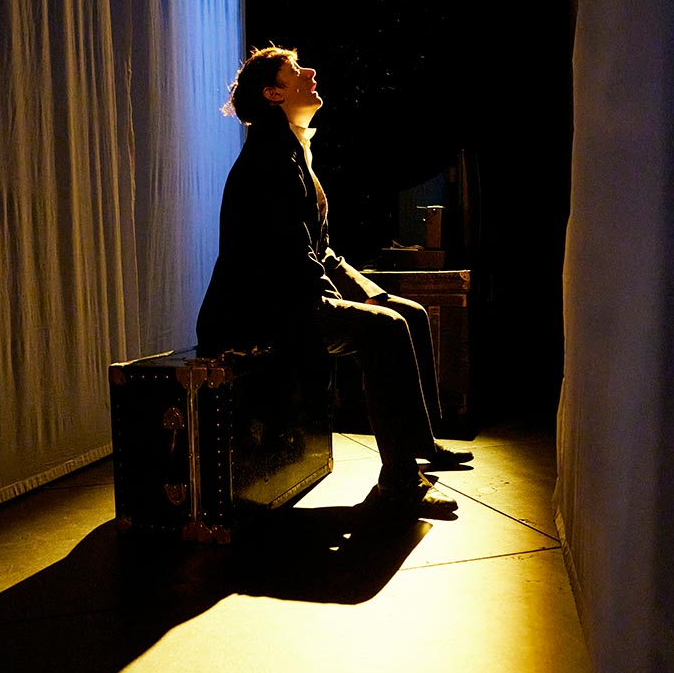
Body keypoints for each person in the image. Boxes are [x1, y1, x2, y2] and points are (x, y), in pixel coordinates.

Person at [197, 46, 473, 516]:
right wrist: (340, 309)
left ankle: (420, 444)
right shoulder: (269, 158)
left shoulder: (291, 148)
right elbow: (288, 258)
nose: (310, 71)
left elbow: (321, 250)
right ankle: (400, 481)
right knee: (385, 328)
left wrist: (372, 295)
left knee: (408, 313)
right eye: (294, 70)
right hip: (260, 313)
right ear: (273, 93)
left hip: (288, 296)